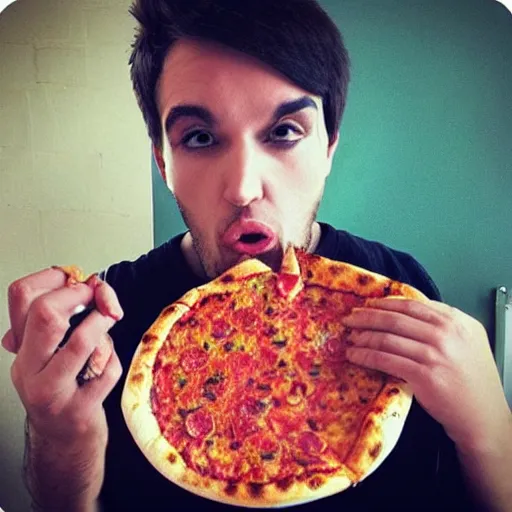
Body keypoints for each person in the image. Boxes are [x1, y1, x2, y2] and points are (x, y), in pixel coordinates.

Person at [2, 1, 511, 511]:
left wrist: (489, 428)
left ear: (329, 146)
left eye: (285, 131)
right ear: (164, 163)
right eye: (199, 138)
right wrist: (62, 440)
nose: (244, 188)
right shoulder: (110, 317)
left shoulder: (401, 285)